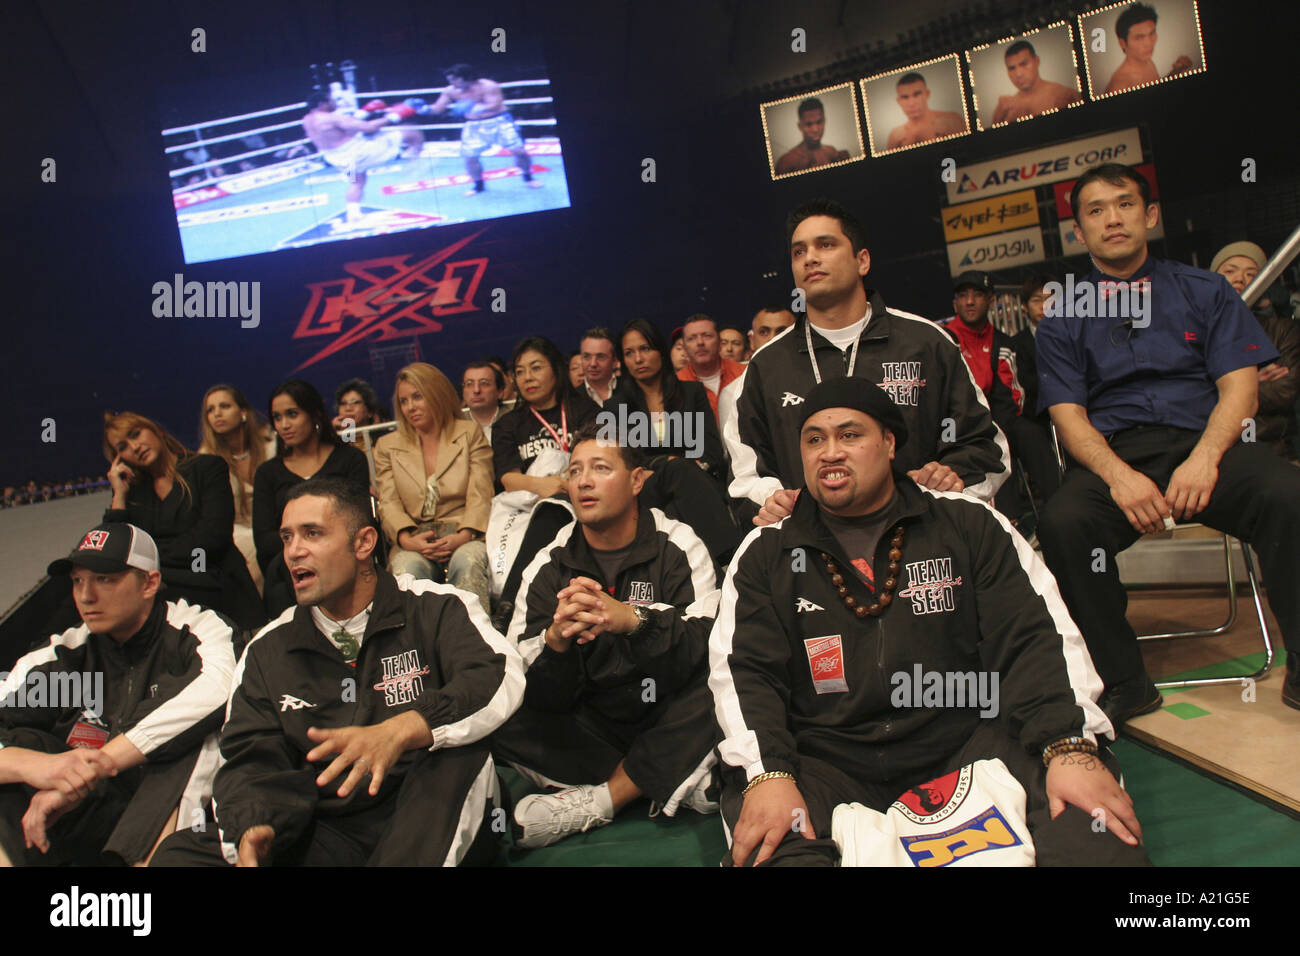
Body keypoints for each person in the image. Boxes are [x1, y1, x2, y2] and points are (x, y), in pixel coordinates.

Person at [709, 377, 1147, 867]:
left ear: (890, 443)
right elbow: (746, 675)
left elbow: (1035, 638)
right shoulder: (766, 551)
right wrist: (770, 773)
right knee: (770, 842)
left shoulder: (969, 522)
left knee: (1096, 828)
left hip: (969, 738)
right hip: (826, 759)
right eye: (814, 439)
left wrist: (1066, 746)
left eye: (850, 435)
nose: (830, 452)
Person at [1034, 163, 1300, 720]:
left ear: (1150, 215)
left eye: (1125, 204)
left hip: (1205, 443)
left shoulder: (1204, 291)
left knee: (1286, 493)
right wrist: (1119, 477)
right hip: (1116, 456)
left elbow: (1241, 390)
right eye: (1096, 211)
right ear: (1078, 231)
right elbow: (1067, 416)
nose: (1113, 219)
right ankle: (1123, 680)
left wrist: (1205, 459)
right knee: (1063, 522)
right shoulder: (1063, 315)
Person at [150, 479, 524, 866]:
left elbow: (498, 677)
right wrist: (255, 823)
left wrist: (404, 729)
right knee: (179, 855)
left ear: (363, 543)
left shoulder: (437, 607)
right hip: (327, 828)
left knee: (456, 758)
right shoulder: (267, 649)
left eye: (312, 534)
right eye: (287, 537)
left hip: (426, 811)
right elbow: (251, 759)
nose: (294, 551)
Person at [492, 424, 720, 846]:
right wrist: (555, 643)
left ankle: (605, 800)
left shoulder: (678, 543)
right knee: (492, 705)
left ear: (637, 481)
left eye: (600, 468)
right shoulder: (549, 561)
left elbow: (707, 645)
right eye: (575, 471)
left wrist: (636, 620)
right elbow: (524, 682)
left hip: (667, 711)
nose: (584, 481)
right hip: (593, 728)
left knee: (727, 678)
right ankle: (675, 776)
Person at [725, 198, 1010, 526]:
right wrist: (771, 499)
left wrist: (952, 477)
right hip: (815, 551)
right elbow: (744, 474)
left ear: (862, 261)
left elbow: (988, 448)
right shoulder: (767, 365)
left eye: (826, 244)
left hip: (923, 535)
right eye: (799, 251)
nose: (810, 258)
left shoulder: (925, 343)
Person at [0, 523, 237, 867]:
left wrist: (101, 764)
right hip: (83, 815)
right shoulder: (63, 656)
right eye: (78, 581)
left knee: (194, 740)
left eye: (105, 579)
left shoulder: (196, 631)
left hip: (175, 820)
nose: (85, 596)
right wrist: (41, 768)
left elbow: (217, 687)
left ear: (150, 583)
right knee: (20, 748)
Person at [103, 411, 263, 628]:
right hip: (169, 596)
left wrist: (150, 555)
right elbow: (116, 551)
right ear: (119, 459)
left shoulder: (207, 467)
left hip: (216, 584)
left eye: (136, 434)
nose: (134, 447)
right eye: (122, 447)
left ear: (155, 430)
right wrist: (119, 495)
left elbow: (213, 537)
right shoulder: (134, 494)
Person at [490, 338, 603, 622]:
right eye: (520, 371)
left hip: (585, 493)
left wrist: (566, 484)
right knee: (551, 508)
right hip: (529, 507)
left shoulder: (586, 411)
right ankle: (511, 607)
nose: (528, 377)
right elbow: (508, 479)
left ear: (555, 369)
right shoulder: (508, 424)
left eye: (536, 367)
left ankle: (510, 605)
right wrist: (546, 486)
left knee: (555, 507)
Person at [373, 363, 493, 614]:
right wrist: (407, 539)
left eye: (417, 396)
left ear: (437, 393)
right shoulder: (387, 446)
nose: (410, 407)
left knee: (467, 561)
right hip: (414, 538)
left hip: (465, 532)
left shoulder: (469, 432)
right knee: (406, 569)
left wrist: (464, 535)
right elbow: (389, 502)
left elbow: (481, 492)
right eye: (404, 401)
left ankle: (476, 644)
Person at [943, 271, 1058, 523]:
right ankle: (1009, 522)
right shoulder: (942, 338)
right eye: (963, 296)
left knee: (1026, 432)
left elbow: (1013, 395)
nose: (970, 301)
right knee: (988, 443)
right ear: (955, 304)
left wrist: (996, 428)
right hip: (955, 426)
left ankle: (1059, 508)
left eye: (977, 295)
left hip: (996, 420)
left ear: (991, 302)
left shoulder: (1003, 342)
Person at [253, 380, 371, 617]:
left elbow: (362, 521)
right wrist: (310, 541)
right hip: (289, 569)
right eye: (277, 417)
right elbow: (264, 540)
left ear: (315, 414)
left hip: (345, 557)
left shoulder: (350, 459)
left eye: (292, 414)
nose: (284, 424)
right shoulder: (268, 473)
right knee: (282, 569)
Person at [1212, 241, 1299, 461]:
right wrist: (1251, 382)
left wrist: (1223, 389)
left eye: (1251, 274)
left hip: (1274, 450)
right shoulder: (1197, 332)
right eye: (1230, 271)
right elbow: (1183, 394)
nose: (1240, 279)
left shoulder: (1281, 330)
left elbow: (1286, 390)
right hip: (1215, 456)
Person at [301, 90, 424, 223]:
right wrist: (394, 116)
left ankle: (353, 213)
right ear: (322, 104)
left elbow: (341, 131)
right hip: (359, 154)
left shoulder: (306, 120)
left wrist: (364, 113)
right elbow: (368, 127)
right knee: (411, 132)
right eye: (331, 100)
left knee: (357, 182)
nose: (334, 102)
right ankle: (414, 164)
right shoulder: (332, 118)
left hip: (338, 160)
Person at [199, 384, 277, 593]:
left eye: (224, 406)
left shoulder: (272, 446)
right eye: (210, 410)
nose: (217, 413)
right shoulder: (206, 459)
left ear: (243, 412)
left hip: (275, 525)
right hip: (235, 534)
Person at [424, 63, 542, 197]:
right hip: (473, 126)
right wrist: (424, 110)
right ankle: (478, 185)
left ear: (466, 77)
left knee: (519, 151)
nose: (451, 83)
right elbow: (438, 108)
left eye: (454, 79)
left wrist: (474, 106)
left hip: (499, 122)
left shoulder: (488, 85)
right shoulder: (450, 90)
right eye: (450, 80)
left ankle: (528, 178)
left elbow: (495, 104)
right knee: (469, 157)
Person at [1102, 2, 1195, 95]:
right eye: (1139, 37)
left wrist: (1176, 71)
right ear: (1122, 43)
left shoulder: (1146, 60)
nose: (1149, 43)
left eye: (1152, 33)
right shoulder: (1119, 86)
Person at [990, 40, 1082, 124]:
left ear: (1037, 61)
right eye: (1012, 68)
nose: (1018, 74)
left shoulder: (1063, 95)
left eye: (1024, 64)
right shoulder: (1006, 109)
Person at [677, 313, 746, 422]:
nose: (700, 342)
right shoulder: (676, 384)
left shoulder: (744, 374)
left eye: (707, 336)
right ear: (684, 348)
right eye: (692, 338)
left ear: (719, 343)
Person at [885, 72, 966, 150]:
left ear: (927, 94)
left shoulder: (952, 120)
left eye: (917, 94)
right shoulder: (896, 136)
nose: (911, 103)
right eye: (905, 97)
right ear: (899, 101)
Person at [774, 97, 851, 174]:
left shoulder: (831, 152)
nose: (815, 129)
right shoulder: (787, 162)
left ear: (824, 121)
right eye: (809, 124)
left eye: (819, 122)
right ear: (800, 126)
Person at [578, 327, 628, 407]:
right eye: (587, 357)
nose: (593, 364)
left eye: (600, 357)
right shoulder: (571, 398)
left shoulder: (631, 390)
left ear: (615, 361)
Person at [462, 359, 508, 444]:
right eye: (469, 384)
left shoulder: (515, 418)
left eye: (484, 383)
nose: (476, 390)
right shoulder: (454, 424)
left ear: (500, 392)